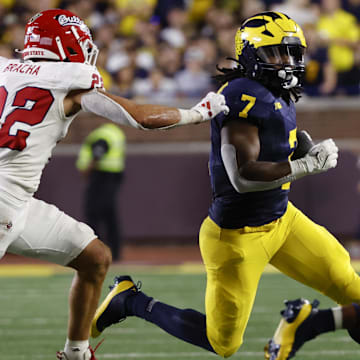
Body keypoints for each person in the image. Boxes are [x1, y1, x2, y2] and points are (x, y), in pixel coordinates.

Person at [90, 11, 360, 360]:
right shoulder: (243, 96)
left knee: (353, 290)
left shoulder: (275, 90)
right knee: (223, 343)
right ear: (251, 55)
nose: (288, 62)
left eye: (293, 52)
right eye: (277, 53)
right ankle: (130, 300)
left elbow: (270, 143)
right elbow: (243, 176)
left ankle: (307, 323)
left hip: (283, 221)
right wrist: (304, 165)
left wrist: (296, 148)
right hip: (237, 237)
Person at [0, 8, 228, 360]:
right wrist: (197, 113)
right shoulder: (71, 81)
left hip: (19, 201)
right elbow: (139, 117)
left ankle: (76, 352)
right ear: (69, 46)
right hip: (4, 202)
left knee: (94, 258)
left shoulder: (4, 68)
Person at [76, 123, 126, 261]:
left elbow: (98, 151)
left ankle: (96, 252)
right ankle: (114, 253)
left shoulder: (101, 134)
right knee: (109, 215)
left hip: (100, 176)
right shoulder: (116, 132)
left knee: (93, 213)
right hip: (113, 176)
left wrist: (88, 168)